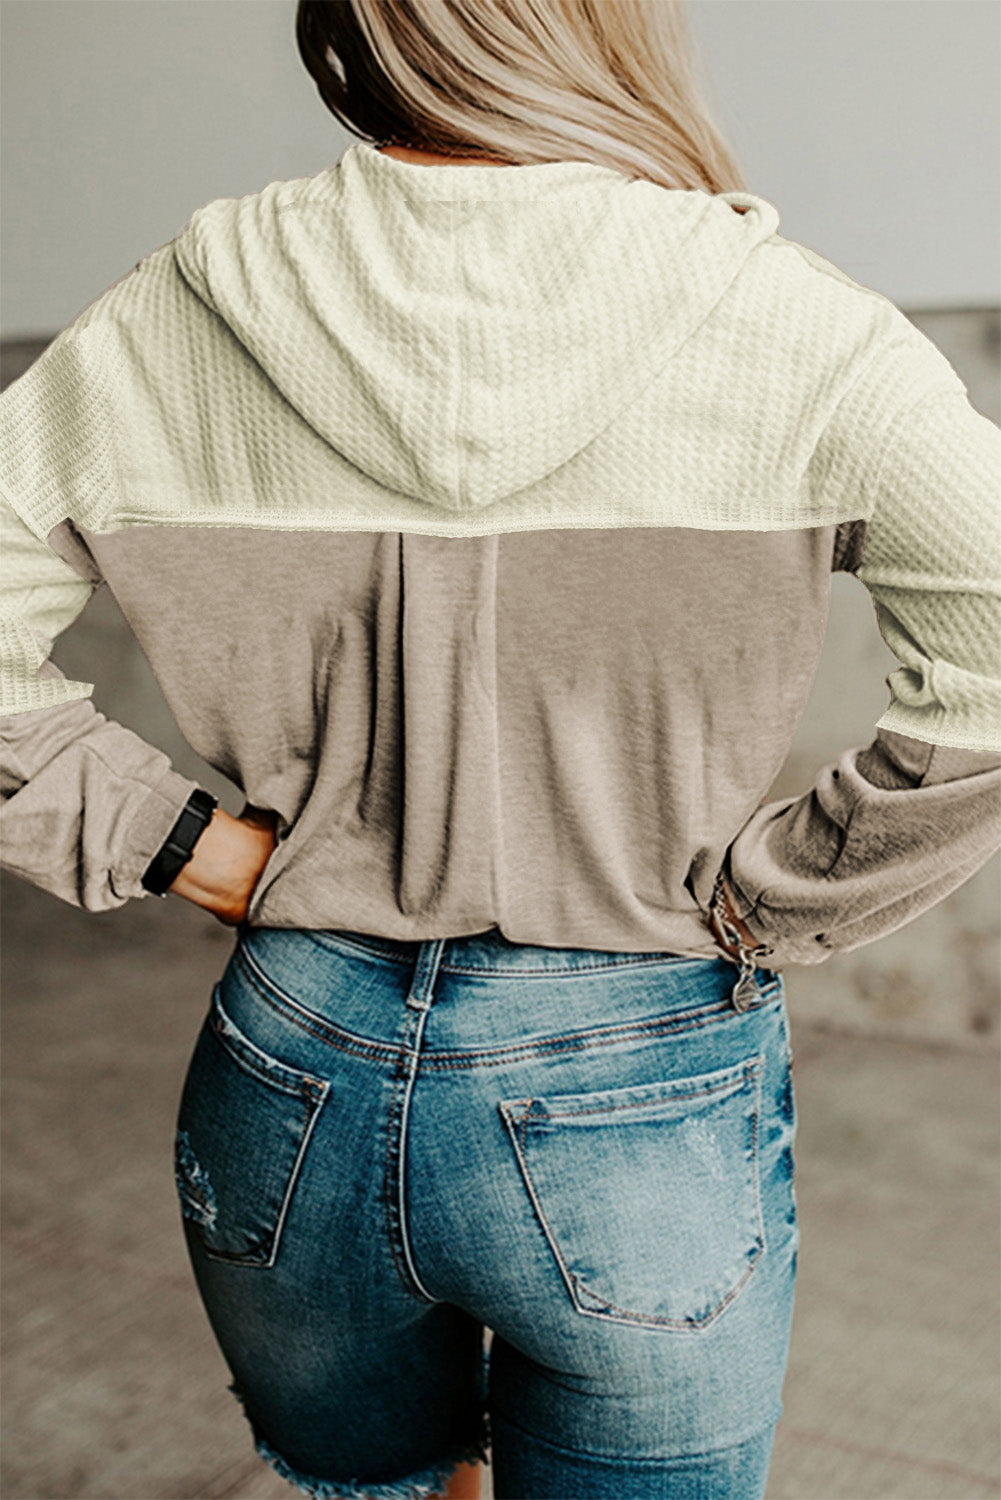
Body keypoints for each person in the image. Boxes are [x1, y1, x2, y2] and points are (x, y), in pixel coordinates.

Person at [1, 1, 999, 1496]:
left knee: (369, 1487)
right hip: (640, 1063)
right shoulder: (790, 324)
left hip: (294, 1048)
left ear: (345, 34)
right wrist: (772, 899)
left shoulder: (174, 320)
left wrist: (185, 848)